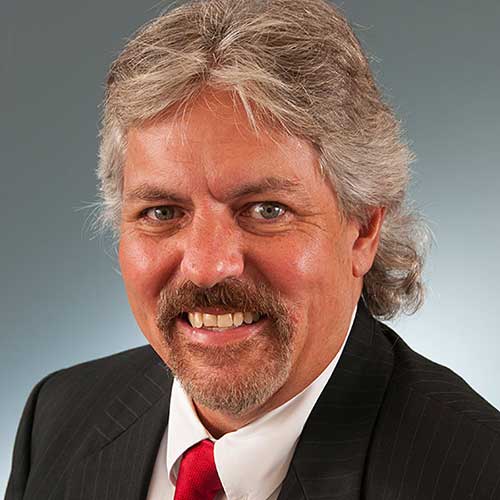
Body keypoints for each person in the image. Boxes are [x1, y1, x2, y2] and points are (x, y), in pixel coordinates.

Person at [6, 0, 500, 498]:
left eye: (266, 210)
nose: (205, 267)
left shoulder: (477, 474)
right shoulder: (58, 416)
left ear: (363, 230)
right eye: (161, 212)